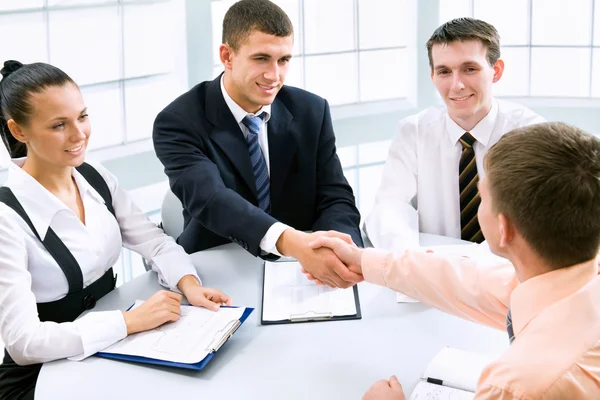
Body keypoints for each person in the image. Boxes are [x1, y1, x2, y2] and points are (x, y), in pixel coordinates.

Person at [311, 122, 600, 399]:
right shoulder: (569, 280)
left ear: (504, 228)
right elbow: (470, 281)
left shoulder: (515, 387)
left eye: (482, 197)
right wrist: (364, 261)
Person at [0, 60, 232, 400]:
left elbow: (154, 241)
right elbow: (24, 343)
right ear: (19, 131)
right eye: (58, 125)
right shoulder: (7, 216)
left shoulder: (94, 178)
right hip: (37, 379)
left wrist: (189, 284)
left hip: (109, 351)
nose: (79, 134)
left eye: (82, 116)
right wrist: (128, 322)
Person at [153, 0, 363, 289]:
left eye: (284, 60)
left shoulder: (311, 110)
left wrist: (338, 249)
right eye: (261, 58)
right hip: (218, 271)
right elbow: (212, 199)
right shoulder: (178, 122)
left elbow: (335, 195)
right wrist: (295, 244)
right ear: (227, 56)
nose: (274, 75)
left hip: (302, 272)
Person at [364, 18, 545, 252]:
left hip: (510, 270)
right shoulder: (414, 132)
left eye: (469, 69)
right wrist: (410, 256)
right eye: (444, 72)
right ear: (433, 77)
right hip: (436, 268)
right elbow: (389, 205)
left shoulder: (530, 132)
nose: (456, 85)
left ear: (496, 71)